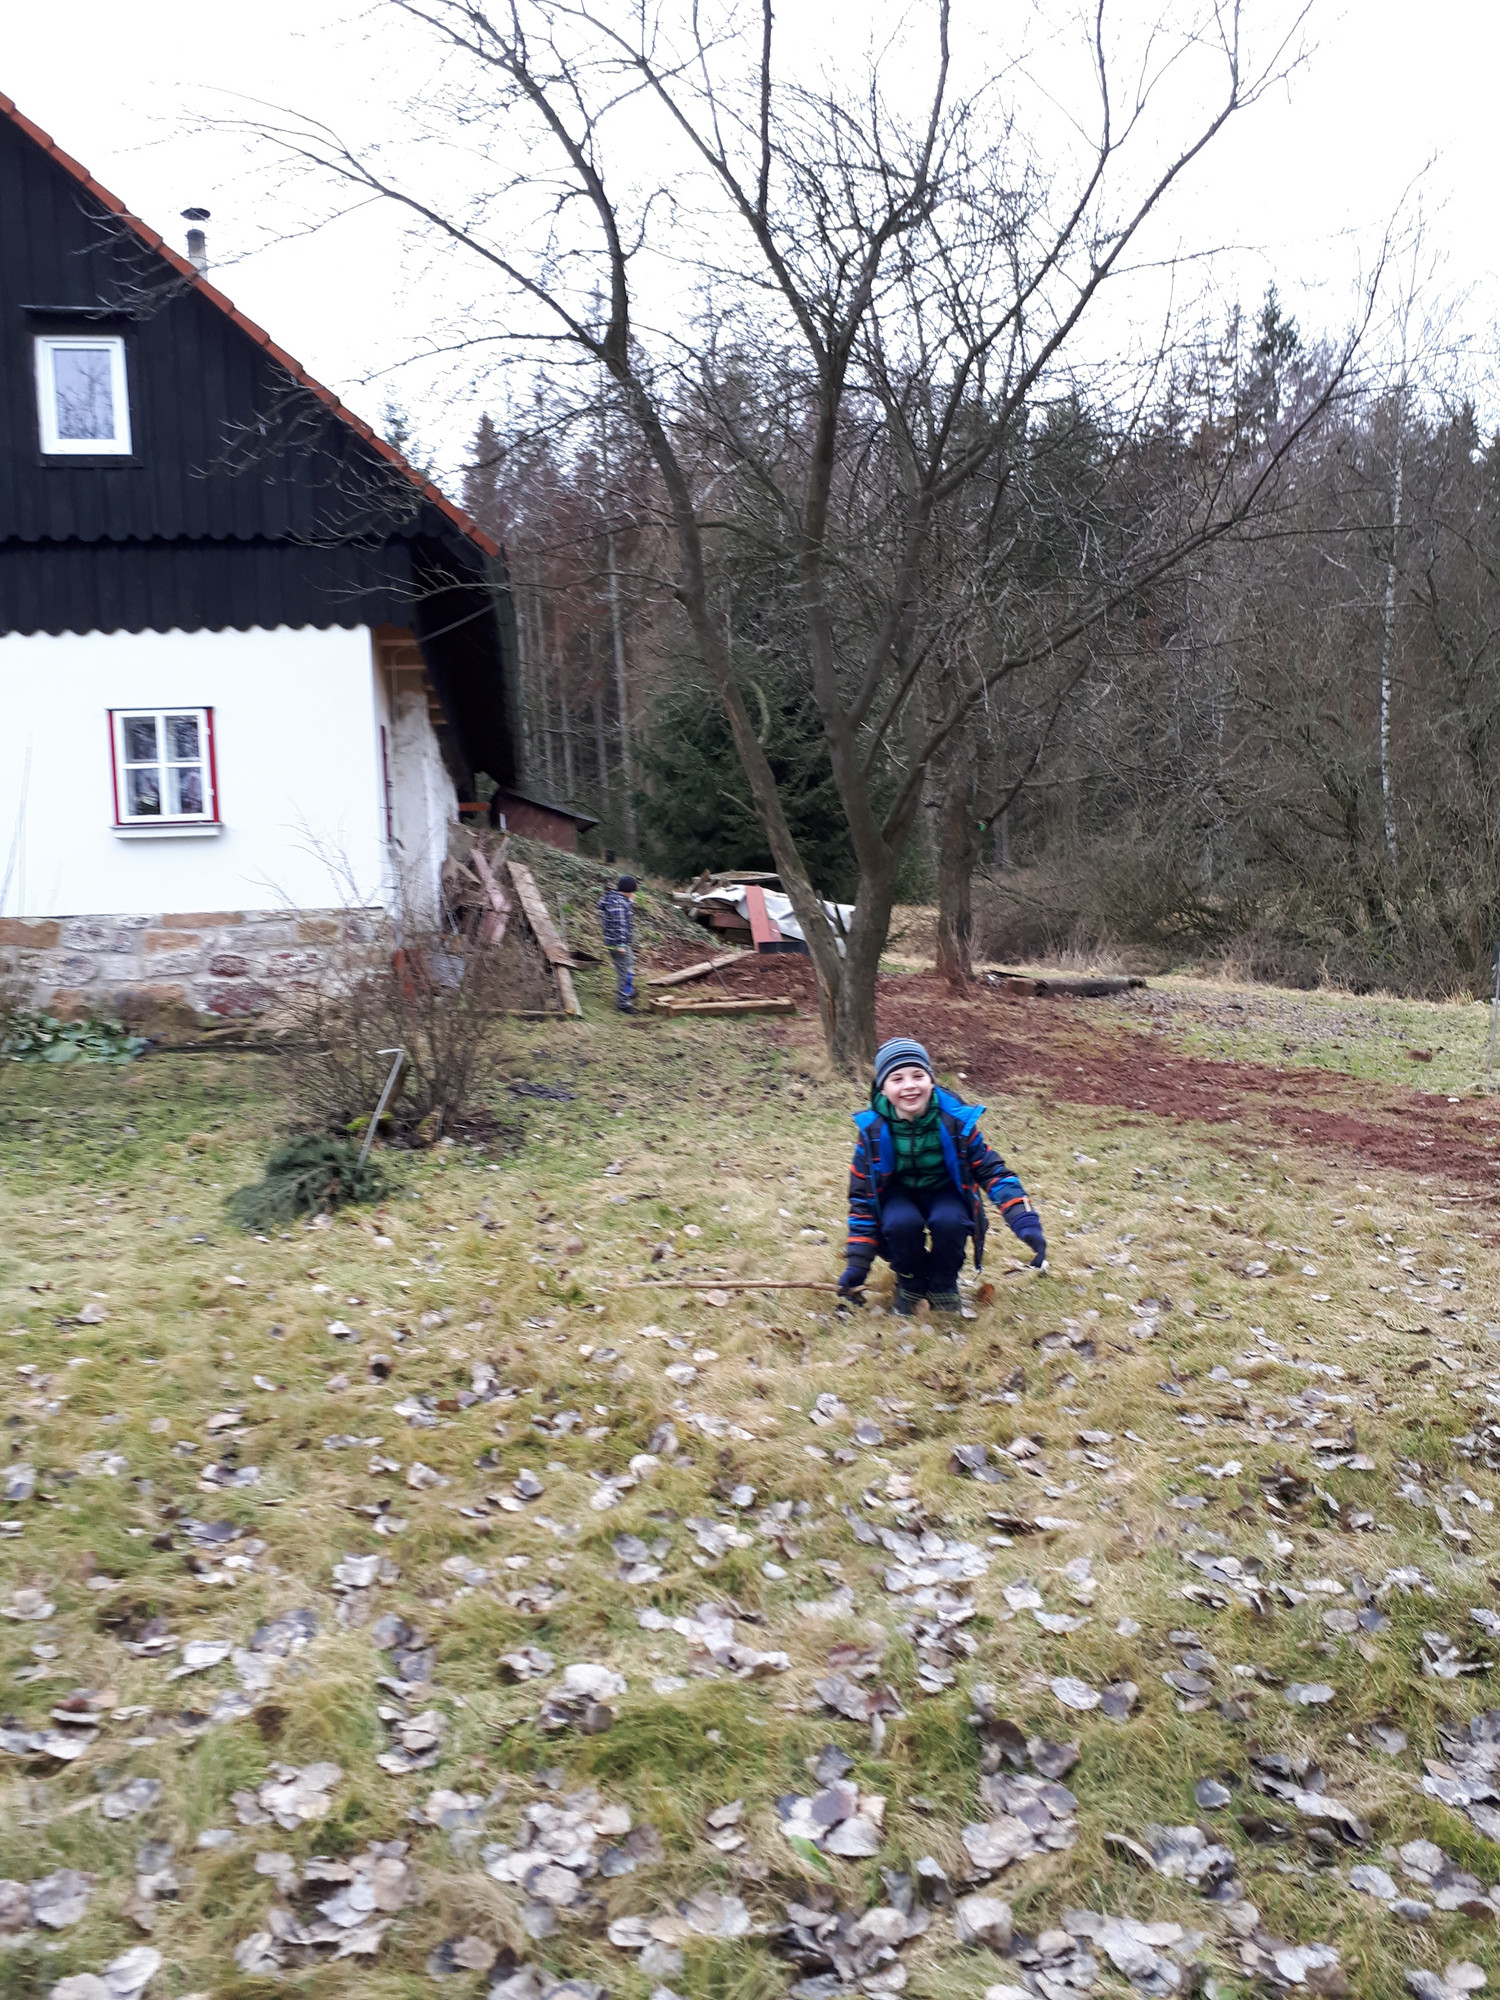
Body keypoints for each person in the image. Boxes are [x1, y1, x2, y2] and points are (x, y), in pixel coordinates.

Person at [838, 1035, 1044, 1315]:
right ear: (882, 1089)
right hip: (898, 1194)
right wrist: (857, 1263)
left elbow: (991, 1169)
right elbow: (862, 1197)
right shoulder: (872, 1132)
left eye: (918, 1075)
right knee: (900, 1223)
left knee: (950, 1220)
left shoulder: (956, 1122)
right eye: (897, 1079)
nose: (909, 1085)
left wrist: (1023, 1218)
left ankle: (944, 1282)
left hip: (944, 1189)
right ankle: (910, 1281)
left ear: (931, 1080)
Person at [596, 874, 638, 1013]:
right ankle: (623, 1003)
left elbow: (622, 916)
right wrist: (621, 944)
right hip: (619, 944)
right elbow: (619, 924)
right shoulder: (618, 903)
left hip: (623, 942)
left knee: (629, 967)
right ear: (630, 889)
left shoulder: (618, 900)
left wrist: (629, 902)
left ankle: (628, 990)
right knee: (624, 973)